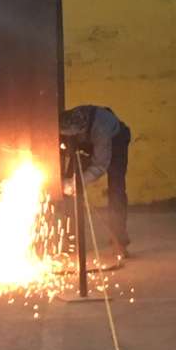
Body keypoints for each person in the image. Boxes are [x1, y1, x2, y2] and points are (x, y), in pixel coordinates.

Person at [60, 105, 131, 256]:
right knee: (69, 185)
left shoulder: (101, 132)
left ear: (82, 130)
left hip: (116, 141)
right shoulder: (68, 121)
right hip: (87, 140)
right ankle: (71, 238)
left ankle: (119, 241)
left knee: (116, 190)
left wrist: (76, 183)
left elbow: (100, 166)